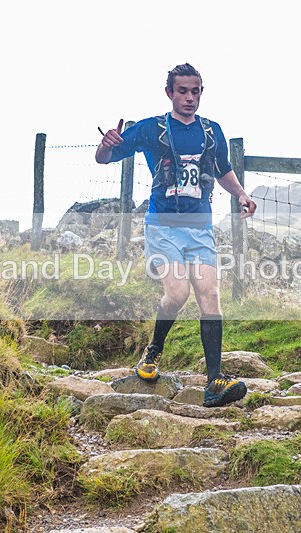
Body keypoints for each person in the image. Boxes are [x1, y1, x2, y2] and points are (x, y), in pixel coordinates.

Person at [95, 63, 257, 407]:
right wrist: (106, 144)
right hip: (162, 227)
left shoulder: (212, 131)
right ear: (169, 93)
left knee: (210, 294)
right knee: (177, 292)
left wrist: (241, 194)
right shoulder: (151, 129)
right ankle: (153, 350)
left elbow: (223, 170)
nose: (189, 98)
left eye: (195, 91)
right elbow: (104, 158)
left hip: (200, 229)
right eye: (182, 91)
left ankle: (215, 380)